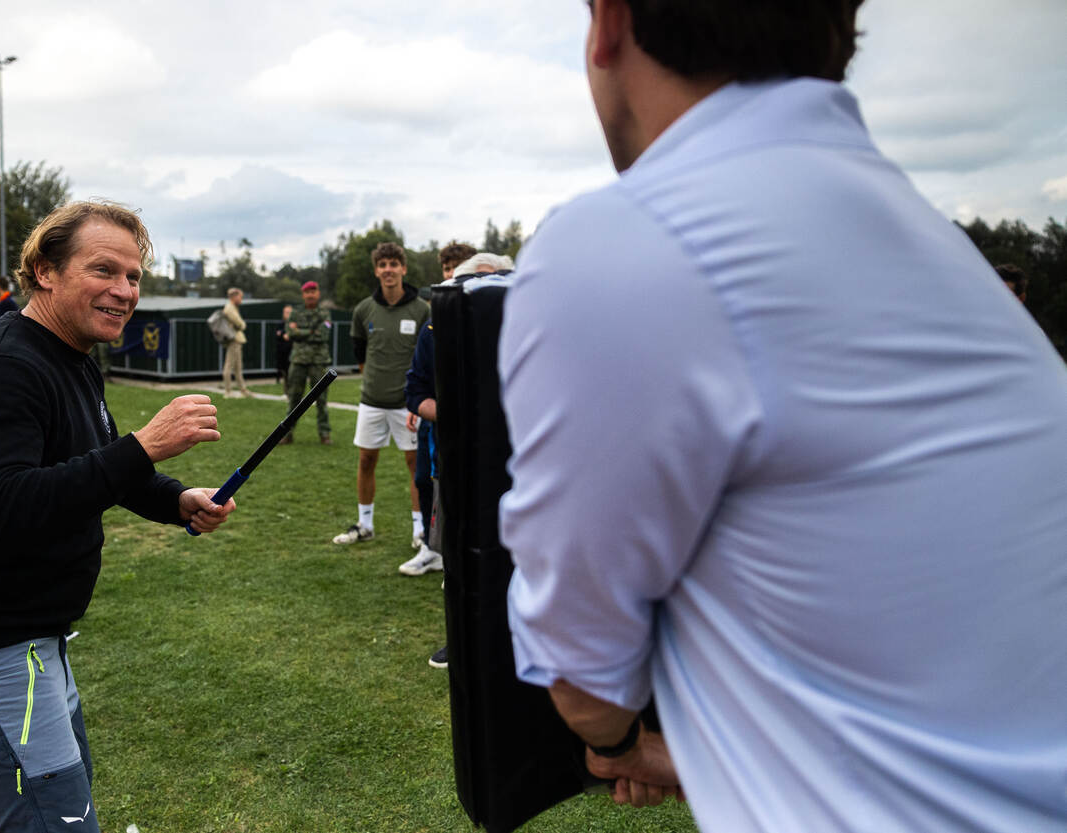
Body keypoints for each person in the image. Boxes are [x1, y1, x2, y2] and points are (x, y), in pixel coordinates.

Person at [498, 1, 1067, 830]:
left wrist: (616, 745)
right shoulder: (933, 243)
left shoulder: (631, 240)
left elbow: (587, 682)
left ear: (608, 25)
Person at [0, 201, 236, 833]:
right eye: (105, 270)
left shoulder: (70, 356)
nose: (125, 290)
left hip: (28, 642)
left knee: (64, 808)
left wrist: (174, 498)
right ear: (44, 271)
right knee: (56, 822)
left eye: (134, 276)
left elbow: (89, 467)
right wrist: (144, 445)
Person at [404, 251, 510, 675]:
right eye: (479, 283)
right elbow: (415, 391)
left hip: (517, 466)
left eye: (498, 280)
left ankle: (518, 638)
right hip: (456, 464)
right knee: (458, 555)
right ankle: (461, 638)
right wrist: (453, 412)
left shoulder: (524, 323)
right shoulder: (436, 330)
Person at [333, 243, 430, 547]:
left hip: (408, 404)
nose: (388, 269)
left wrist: (418, 398)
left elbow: (427, 358)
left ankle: (420, 529)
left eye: (394, 263)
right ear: (376, 270)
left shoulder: (422, 309)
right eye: (383, 264)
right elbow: (361, 352)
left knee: (416, 465)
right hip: (371, 400)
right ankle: (365, 524)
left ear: (403, 268)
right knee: (365, 461)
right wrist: (374, 380)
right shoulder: (364, 310)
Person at [280, 282, 332, 444]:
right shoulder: (295, 312)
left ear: (318, 293)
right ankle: (287, 433)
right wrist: (311, 331)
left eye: (313, 291)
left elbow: (323, 335)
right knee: (294, 397)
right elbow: (290, 332)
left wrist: (300, 331)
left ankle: (324, 433)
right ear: (303, 295)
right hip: (299, 360)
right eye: (307, 292)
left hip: (318, 361)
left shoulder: (325, 313)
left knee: (321, 399)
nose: (310, 295)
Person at [221, 287, 251, 397]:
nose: (241, 299)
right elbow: (240, 324)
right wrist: (243, 324)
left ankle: (243, 390)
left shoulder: (232, 307)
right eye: (240, 296)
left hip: (237, 340)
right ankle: (228, 391)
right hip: (234, 339)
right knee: (229, 366)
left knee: (238, 367)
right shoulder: (229, 308)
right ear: (234, 296)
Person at [274, 304, 293, 389]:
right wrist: (283, 334)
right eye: (286, 312)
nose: (287, 314)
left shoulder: (294, 324)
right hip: (282, 352)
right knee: (285, 372)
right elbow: (279, 334)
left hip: (292, 352)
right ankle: (286, 392)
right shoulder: (280, 324)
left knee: (292, 373)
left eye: (289, 312)